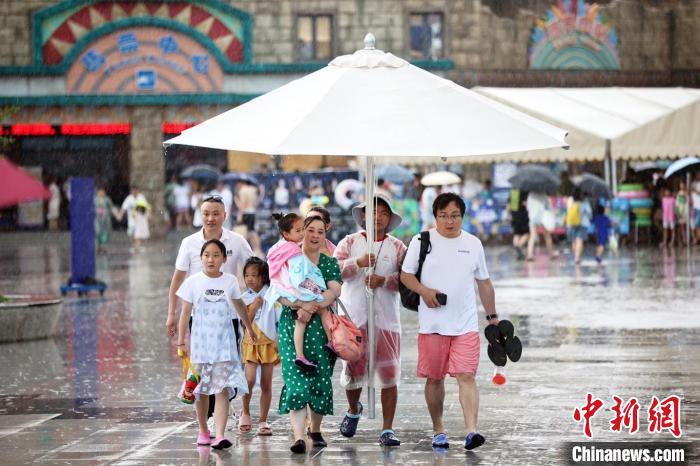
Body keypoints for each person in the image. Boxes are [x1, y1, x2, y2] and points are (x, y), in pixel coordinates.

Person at [400, 192, 497, 451]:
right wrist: (425, 292)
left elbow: (484, 282)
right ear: (435, 217)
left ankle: (471, 431)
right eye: (443, 216)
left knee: (466, 375)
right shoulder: (422, 240)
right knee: (434, 378)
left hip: (465, 324)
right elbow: (406, 276)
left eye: (454, 216)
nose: (449, 221)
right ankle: (438, 428)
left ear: (462, 217)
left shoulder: (473, 243)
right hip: (432, 325)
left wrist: (492, 317)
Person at [166, 195, 254, 431]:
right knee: (202, 367)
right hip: (199, 318)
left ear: (225, 215)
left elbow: (255, 270)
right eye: (206, 213)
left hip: (229, 320)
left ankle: (221, 414)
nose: (211, 218)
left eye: (216, 213)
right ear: (199, 215)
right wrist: (171, 314)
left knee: (226, 365)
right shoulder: (189, 243)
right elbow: (177, 281)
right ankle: (211, 419)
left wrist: (253, 304)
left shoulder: (236, 241)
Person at [333, 195, 407, 447]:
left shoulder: (397, 247)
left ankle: (387, 428)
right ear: (363, 216)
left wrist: (384, 281)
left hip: (386, 320)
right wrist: (359, 263)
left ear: (389, 218)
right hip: (354, 319)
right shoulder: (350, 242)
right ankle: (354, 409)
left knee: (388, 373)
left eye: (384, 212)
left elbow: (408, 278)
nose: (378, 217)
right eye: (373, 212)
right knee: (353, 369)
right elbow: (333, 270)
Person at [176, 239, 256, 450]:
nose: (211, 259)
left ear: (224, 259)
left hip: (224, 346)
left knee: (221, 390)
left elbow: (239, 306)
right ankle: (203, 430)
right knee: (200, 391)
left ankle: (219, 434)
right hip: (201, 348)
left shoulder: (229, 281)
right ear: (200, 258)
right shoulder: (193, 282)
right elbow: (185, 313)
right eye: (206, 255)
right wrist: (181, 341)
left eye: (216, 255)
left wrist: (248, 327)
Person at [274, 216, 342, 454]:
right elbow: (276, 290)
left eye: (319, 231)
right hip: (292, 325)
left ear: (325, 234)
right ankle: (299, 435)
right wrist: (299, 305)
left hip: (322, 330)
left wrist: (312, 305)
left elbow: (335, 290)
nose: (313, 235)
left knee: (320, 380)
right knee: (296, 382)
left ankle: (316, 428)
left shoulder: (329, 262)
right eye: (309, 230)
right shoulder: (287, 257)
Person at [266, 212, 333, 371]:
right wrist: (312, 289)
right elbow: (298, 275)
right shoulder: (293, 250)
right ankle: (331, 341)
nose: (303, 233)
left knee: (300, 323)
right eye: (298, 231)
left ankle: (300, 355)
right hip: (297, 289)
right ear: (286, 233)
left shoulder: (278, 248)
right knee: (323, 311)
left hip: (286, 291)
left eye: (303, 229)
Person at [239, 257, 280, 436]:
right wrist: (254, 307)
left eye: (254, 275)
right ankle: (245, 411)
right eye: (247, 275)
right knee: (248, 380)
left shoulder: (271, 294)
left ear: (263, 277)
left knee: (266, 383)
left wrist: (279, 340)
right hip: (251, 343)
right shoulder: (244, 297)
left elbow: (278, 316)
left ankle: (263, 420)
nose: (250, 279)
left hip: (268, 343)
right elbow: (243, 320)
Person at [525, 192, 558, 261]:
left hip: (533, 217)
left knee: (532, 236)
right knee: (547, 236)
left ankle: (530, 255)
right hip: (543, 217)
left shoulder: (531, 195)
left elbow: (527, 207)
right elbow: (549, 208)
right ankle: (551, 254)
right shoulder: (544, 195)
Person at [235, 181, 262, 255]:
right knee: (252, 232)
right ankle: (257, 250)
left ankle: (254, 250)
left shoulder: (242, 191)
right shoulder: (253, 190)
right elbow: (255, 203)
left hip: (246, 213)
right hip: (252, 212)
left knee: (247, 233)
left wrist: (237, 201)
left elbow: (243, 205)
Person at [566, 188, 591, 264]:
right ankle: (577, 257)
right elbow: (589, 213)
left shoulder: (570, 200)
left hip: (572, 223)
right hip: (583, 223)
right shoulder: (584, 202)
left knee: (574, 241)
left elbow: (568, 211)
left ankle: (575, 256)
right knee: (579, 240)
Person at [507, 189, 529, 260]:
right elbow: (526, 204)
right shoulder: (524, 191)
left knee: (517, 234)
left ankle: (516, 246)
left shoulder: (513, 192)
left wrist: (506, 215)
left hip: (514, 216)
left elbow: (509, 205)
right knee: (527, 233)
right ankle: (518, 246)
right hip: (523, 216)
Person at [94, 187, 117, 254]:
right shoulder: (94, 199)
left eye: (102, 192)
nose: (101, 193)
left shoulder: (107, 199)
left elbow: (112, 207)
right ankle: (98, 247)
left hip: (106, 218)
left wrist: (116, 214)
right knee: (97, 232)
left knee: (105, 233)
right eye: (100, 192)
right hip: (97, 219)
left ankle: (103, 247)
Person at [676, 181, 689, 246]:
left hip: (686, 211)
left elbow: (688, 201)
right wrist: (677, 211)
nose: (682, 186)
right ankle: (683, 240)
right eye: (681, 185)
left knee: (686, 226)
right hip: (681, 211)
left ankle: (686, 239)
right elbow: (677, 203)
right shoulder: (678, 193)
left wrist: (685, 197)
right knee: (681, 226)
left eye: (683, 185)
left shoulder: (687, 193)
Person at [692, 172, 700, 245]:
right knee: (696, 225)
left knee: (698, 224)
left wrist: (695, 190)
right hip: (695, 207)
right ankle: (697, 238)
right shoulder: (693, 183)